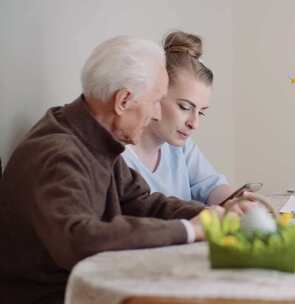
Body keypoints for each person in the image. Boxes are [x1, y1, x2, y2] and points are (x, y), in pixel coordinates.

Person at [0, 36, 231, 304]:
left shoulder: (94, 137)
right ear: (123, 101)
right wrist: (189, 230)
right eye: (156, 101)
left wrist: (213, 217)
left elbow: (140, 201)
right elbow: (79, 240)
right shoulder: (59, 153)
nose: (156, 114)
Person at [122, 31, 236, 205]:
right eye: (185, 107)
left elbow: (211, 185)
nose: (194, 123)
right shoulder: (119, 158)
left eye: (201, 112)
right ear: (155, 95)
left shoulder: (180, 147)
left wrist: (238, 201)